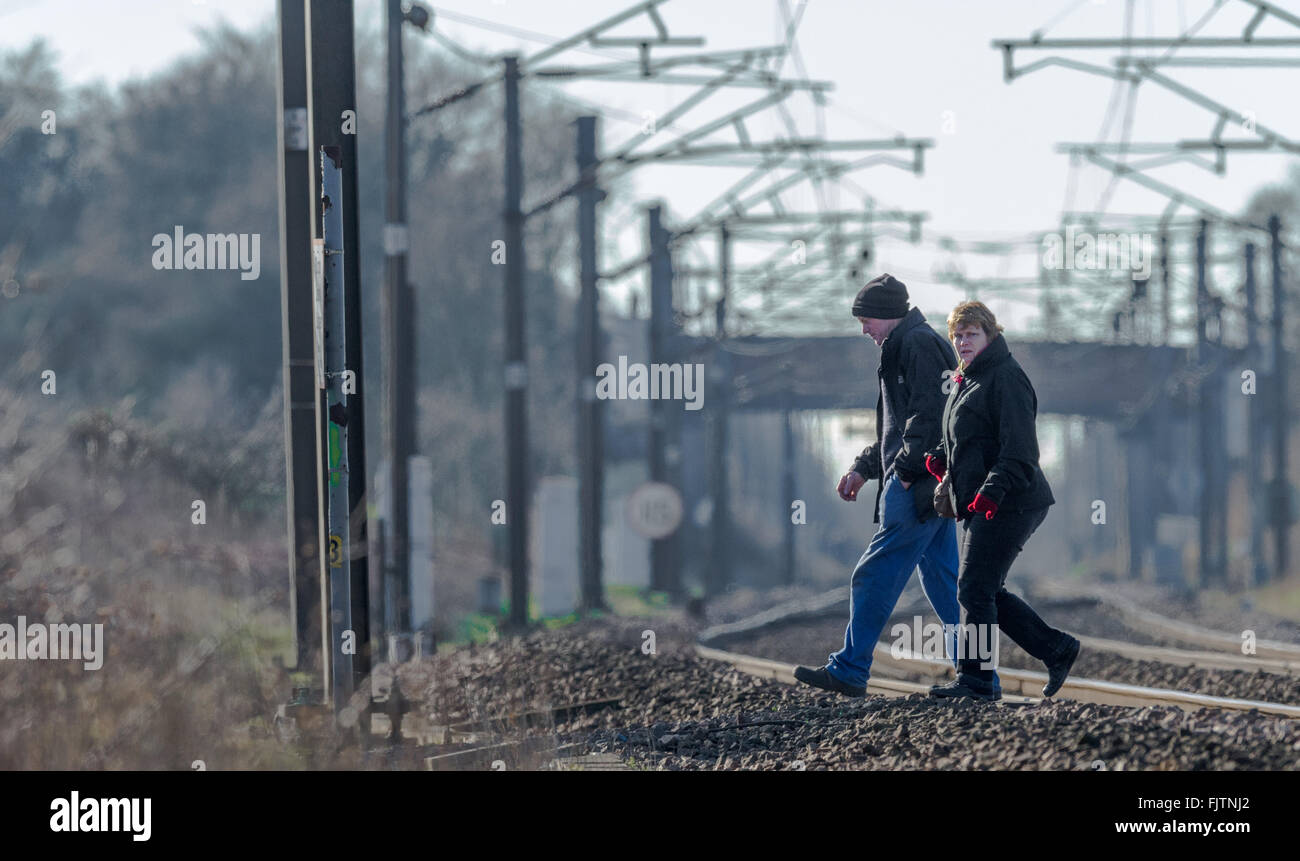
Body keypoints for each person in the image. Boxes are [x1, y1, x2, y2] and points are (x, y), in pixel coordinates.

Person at [794, 274, 999, 697]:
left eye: (866, 318)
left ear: (887, 314)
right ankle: (980, 677)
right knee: (948, 588)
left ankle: (850, 669)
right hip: (927, 483)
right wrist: (865, 467)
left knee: (873, 575)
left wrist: (904, 472)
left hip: (918, 486)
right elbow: (898, 428)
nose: (863, 328)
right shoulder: (905, 345)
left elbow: (931, 416)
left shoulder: (918, 345)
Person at [926, 300, 1080, 701]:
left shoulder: (1006, 378)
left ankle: (976, 681)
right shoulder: (969, 378)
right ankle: (1056, 648)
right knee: (984, 588)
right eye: (957, 335)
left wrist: (991, 492)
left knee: (974, 587)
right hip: (988, 501)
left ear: (990, 335)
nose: (962, 342)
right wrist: (942, 459)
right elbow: (972, 438)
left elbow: (1022, 452)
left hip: (1014, 500)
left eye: (971, 334)